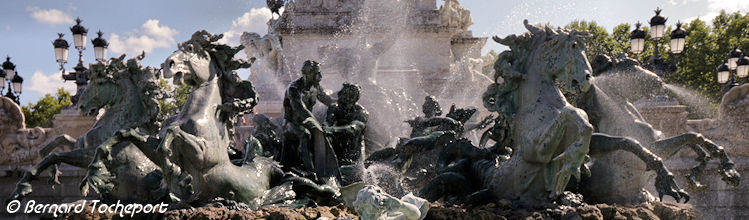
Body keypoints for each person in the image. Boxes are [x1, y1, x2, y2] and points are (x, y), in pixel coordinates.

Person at [281, 60, 338, 181]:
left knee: (326, 133)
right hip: (291, 124)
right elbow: (300, 110)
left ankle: (326, 169)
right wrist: (315, 124)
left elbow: (328, 101)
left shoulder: (315, 87)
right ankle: (310, 172)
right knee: (305, 134)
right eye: (317, 73)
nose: (320, 77)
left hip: (307, 123)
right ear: (307, 73)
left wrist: (342, 102)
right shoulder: (294, 88)